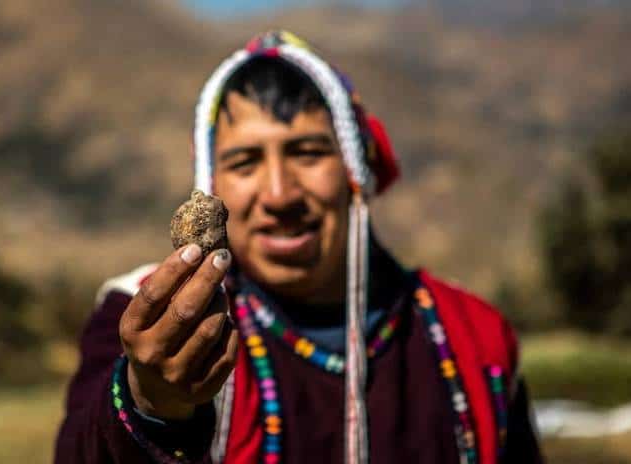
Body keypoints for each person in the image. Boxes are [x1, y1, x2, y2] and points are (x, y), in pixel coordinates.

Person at [55, 30, 543, 464]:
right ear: (211, 184)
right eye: (245, 162)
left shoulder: (473, 336)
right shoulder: (145, 318)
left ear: (357, 173)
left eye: (308, 153)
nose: (279, 195)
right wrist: (152, 402)